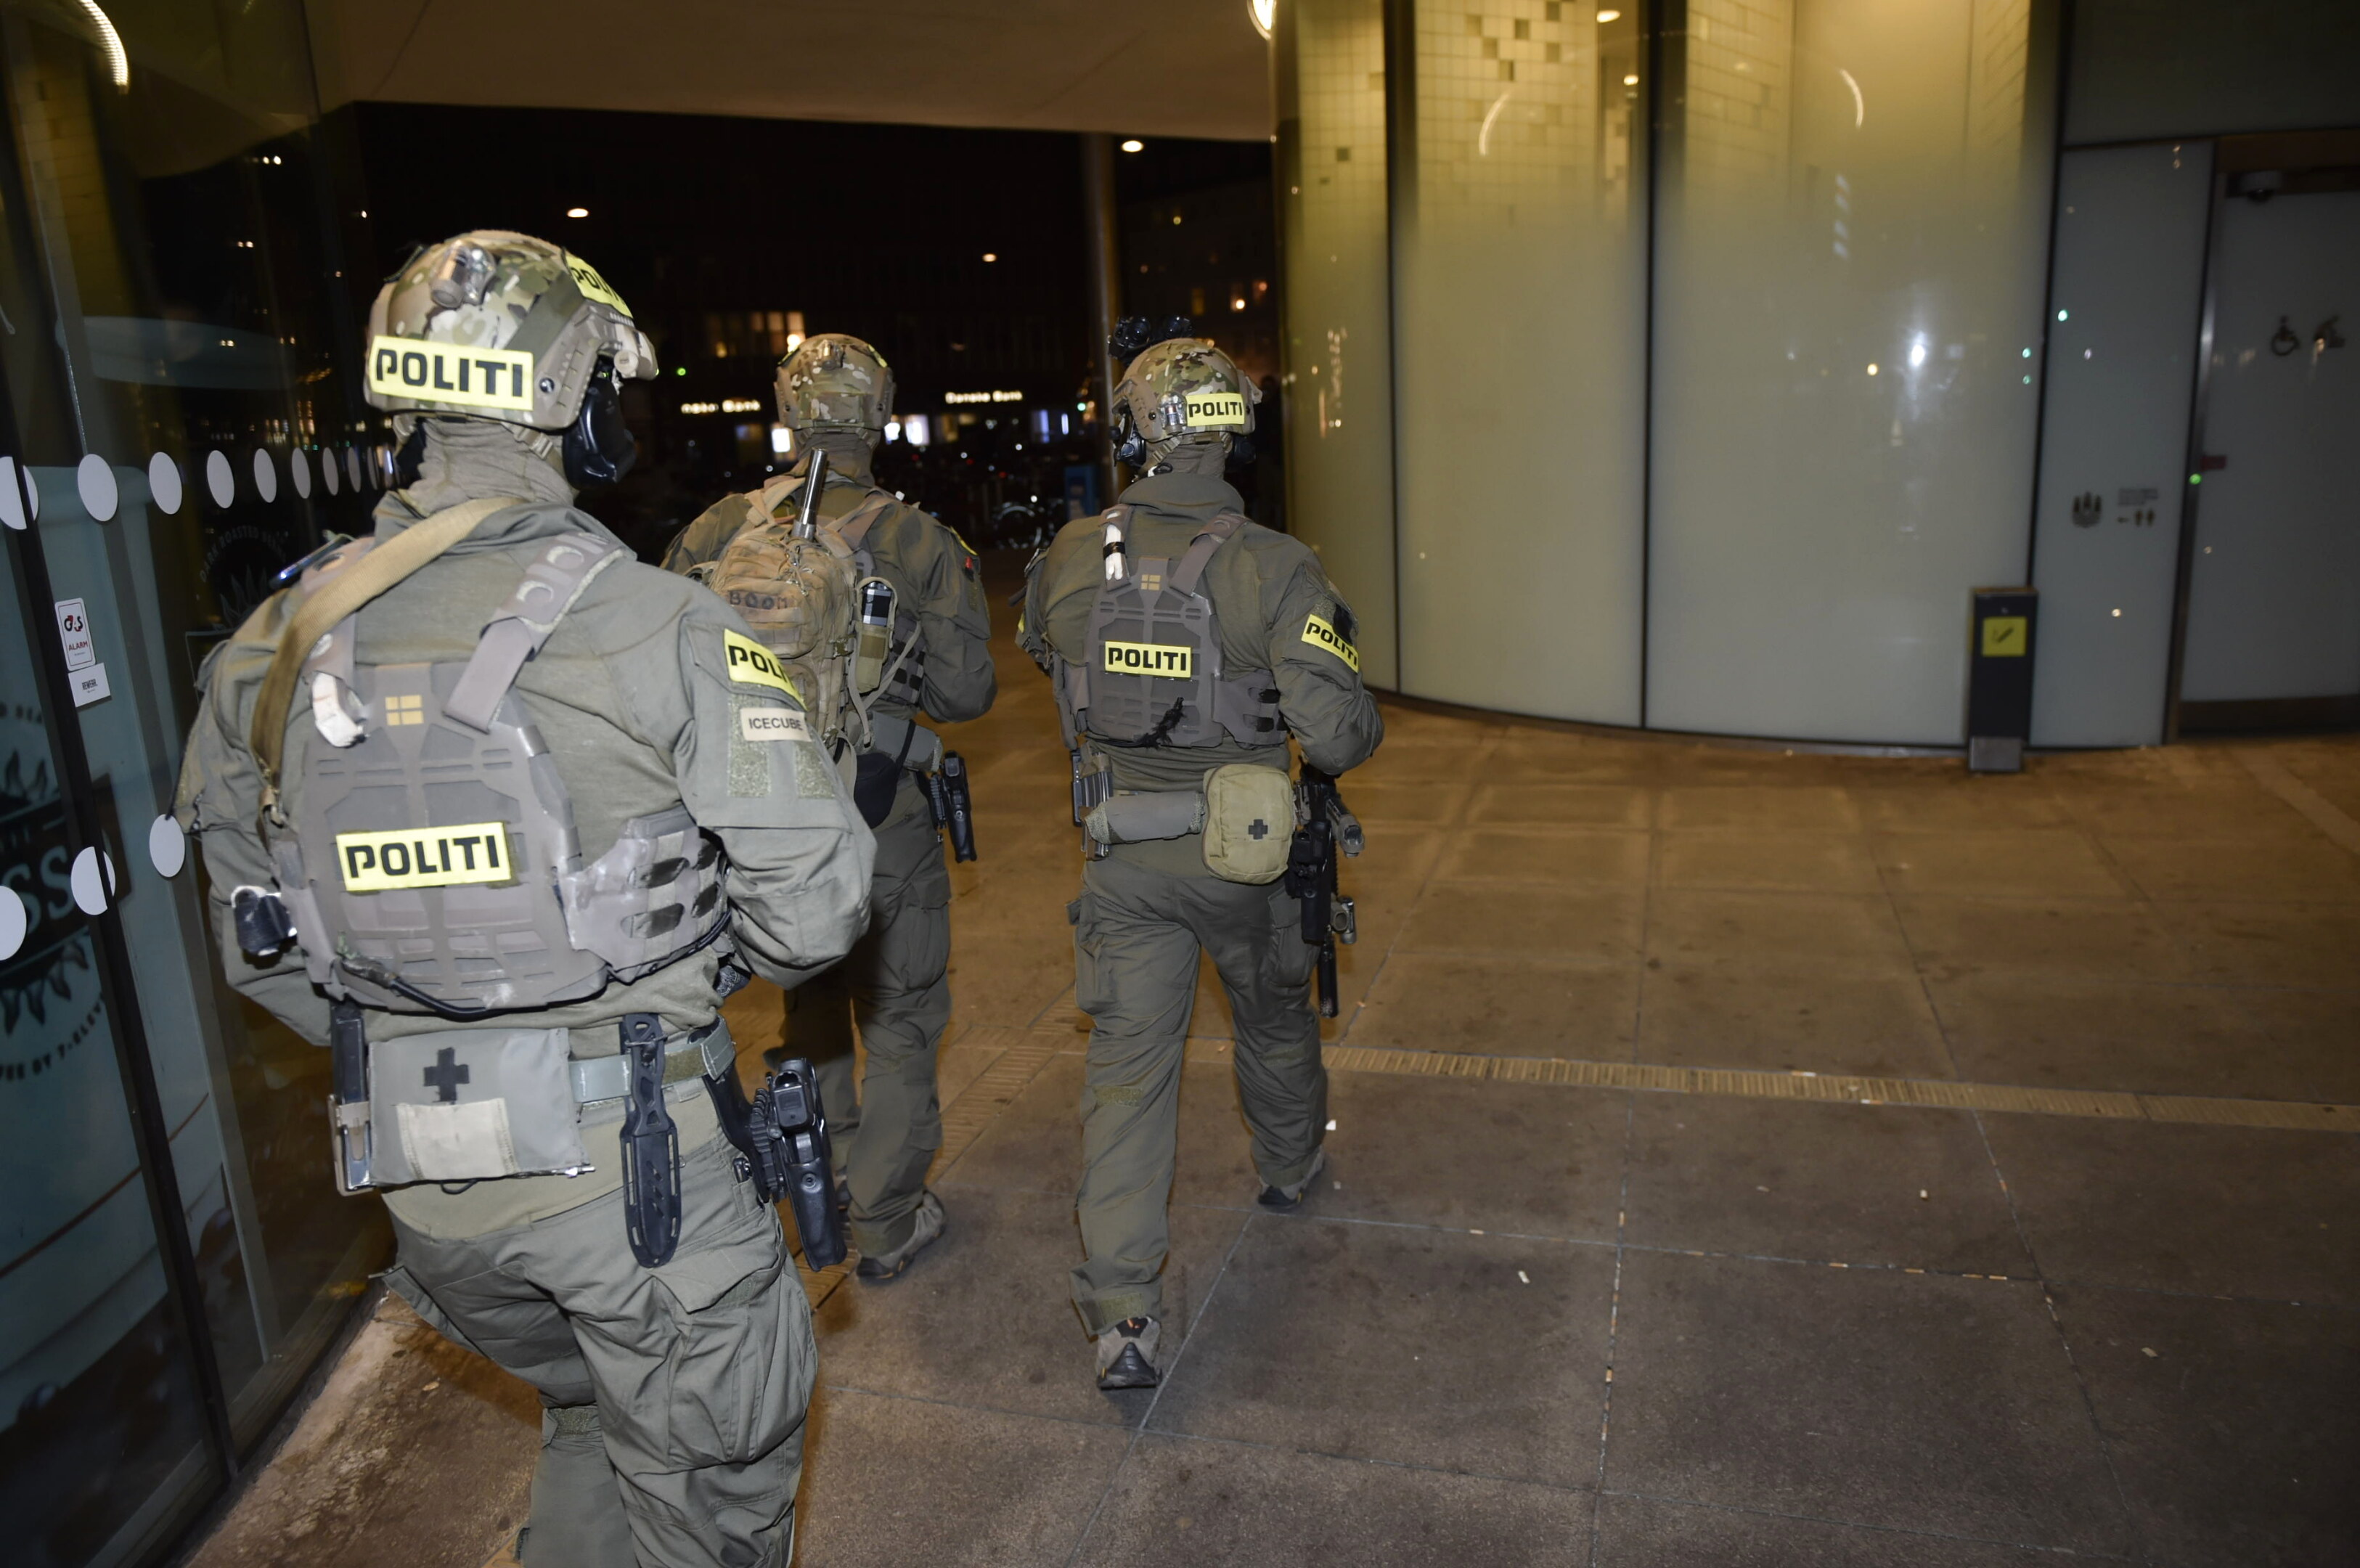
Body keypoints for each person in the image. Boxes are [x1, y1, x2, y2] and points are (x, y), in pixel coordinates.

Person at [174, 230, 875, 1568]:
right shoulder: (656, 623)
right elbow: (818, 909)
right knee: (709, 1492)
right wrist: (668, 968)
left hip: (430, 1194)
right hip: (640, 1194)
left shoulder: (270, 649)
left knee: (593, 1415)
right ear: (567, 395)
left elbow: (261, 953)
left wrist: (428, 1006)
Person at [1017, 321, 1382, 1389]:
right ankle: (1289, 1165)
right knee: (1272, 1022)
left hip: (1122, 857)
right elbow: (1340, 737)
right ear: (1234, 434)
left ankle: (1122, 1314)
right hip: (1245, 864)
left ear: (1137, 430)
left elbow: (1051, 662)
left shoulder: (1069, 556)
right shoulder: (1277, 565)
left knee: (1127, 1077)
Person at [664, 332, 995, 1281]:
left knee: (808, 998)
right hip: (879, 811)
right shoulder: (919, 539)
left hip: (762, 820)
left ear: (787, 412)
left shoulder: (717, 531)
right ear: (879, 415)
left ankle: (826, 1171)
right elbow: (967, 692)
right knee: (902, 1016)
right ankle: (887, 1220)